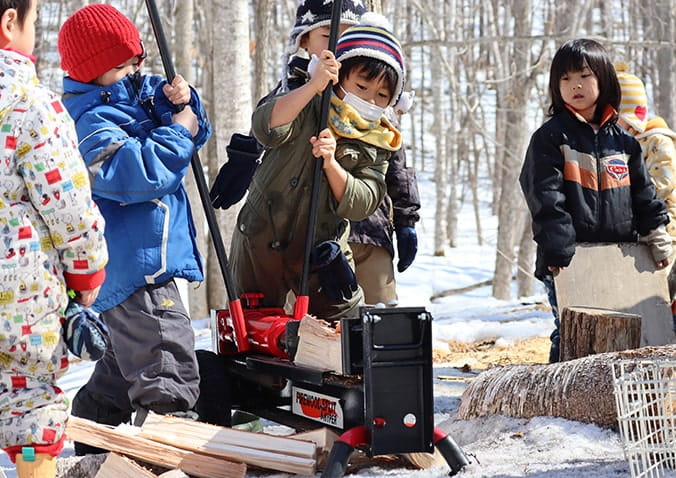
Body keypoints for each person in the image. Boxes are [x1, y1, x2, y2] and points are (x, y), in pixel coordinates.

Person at [56, 3, 211, 453]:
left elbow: (194, 131)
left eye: (136, 62)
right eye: (121, 67)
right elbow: (137, 175)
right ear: (94, 72)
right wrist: (178, 132)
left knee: (129, 358)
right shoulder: (90, 122)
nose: (133, 72)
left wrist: (183, 106)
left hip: (146, 257)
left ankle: (96, 422)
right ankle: (168, 437)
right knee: (166, 352)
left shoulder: (131, 96)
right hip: (133, 265)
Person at [230, 18, 406, 321]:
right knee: (255, 325)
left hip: (322, 248)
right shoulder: (309, 103)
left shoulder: (379, 138)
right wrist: (313, 86)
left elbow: (363, 201)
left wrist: (332, 165)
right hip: (262, 236)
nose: (368, 100)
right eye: (361, 86)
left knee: (344, 327)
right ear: (339, 79)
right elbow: (266, 127)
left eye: (381, 95)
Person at [0, 0, 108, 475]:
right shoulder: (30, 105)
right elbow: (68, 207)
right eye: (34, 21)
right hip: (19, 310)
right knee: (28, 414)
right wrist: (87, 272)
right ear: (9, 23)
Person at [519, 39, 672, 363]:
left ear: (603, 80)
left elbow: (644, 196)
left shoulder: (625, 144)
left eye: (585, 76)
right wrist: (559, 248)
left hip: (619, 258)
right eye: (565, 78)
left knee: (623, 336)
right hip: (570, 259)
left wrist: (657, 236)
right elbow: (545, 198)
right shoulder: (550, 138)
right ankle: (558, 405)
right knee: (572, 333)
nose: (575, 85)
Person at [614, 61, 676, 332]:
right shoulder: (632, 142)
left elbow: (664, 184)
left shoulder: (656, 140)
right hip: (644, 232)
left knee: (663, 295)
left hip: (669, 229)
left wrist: (633, 197)